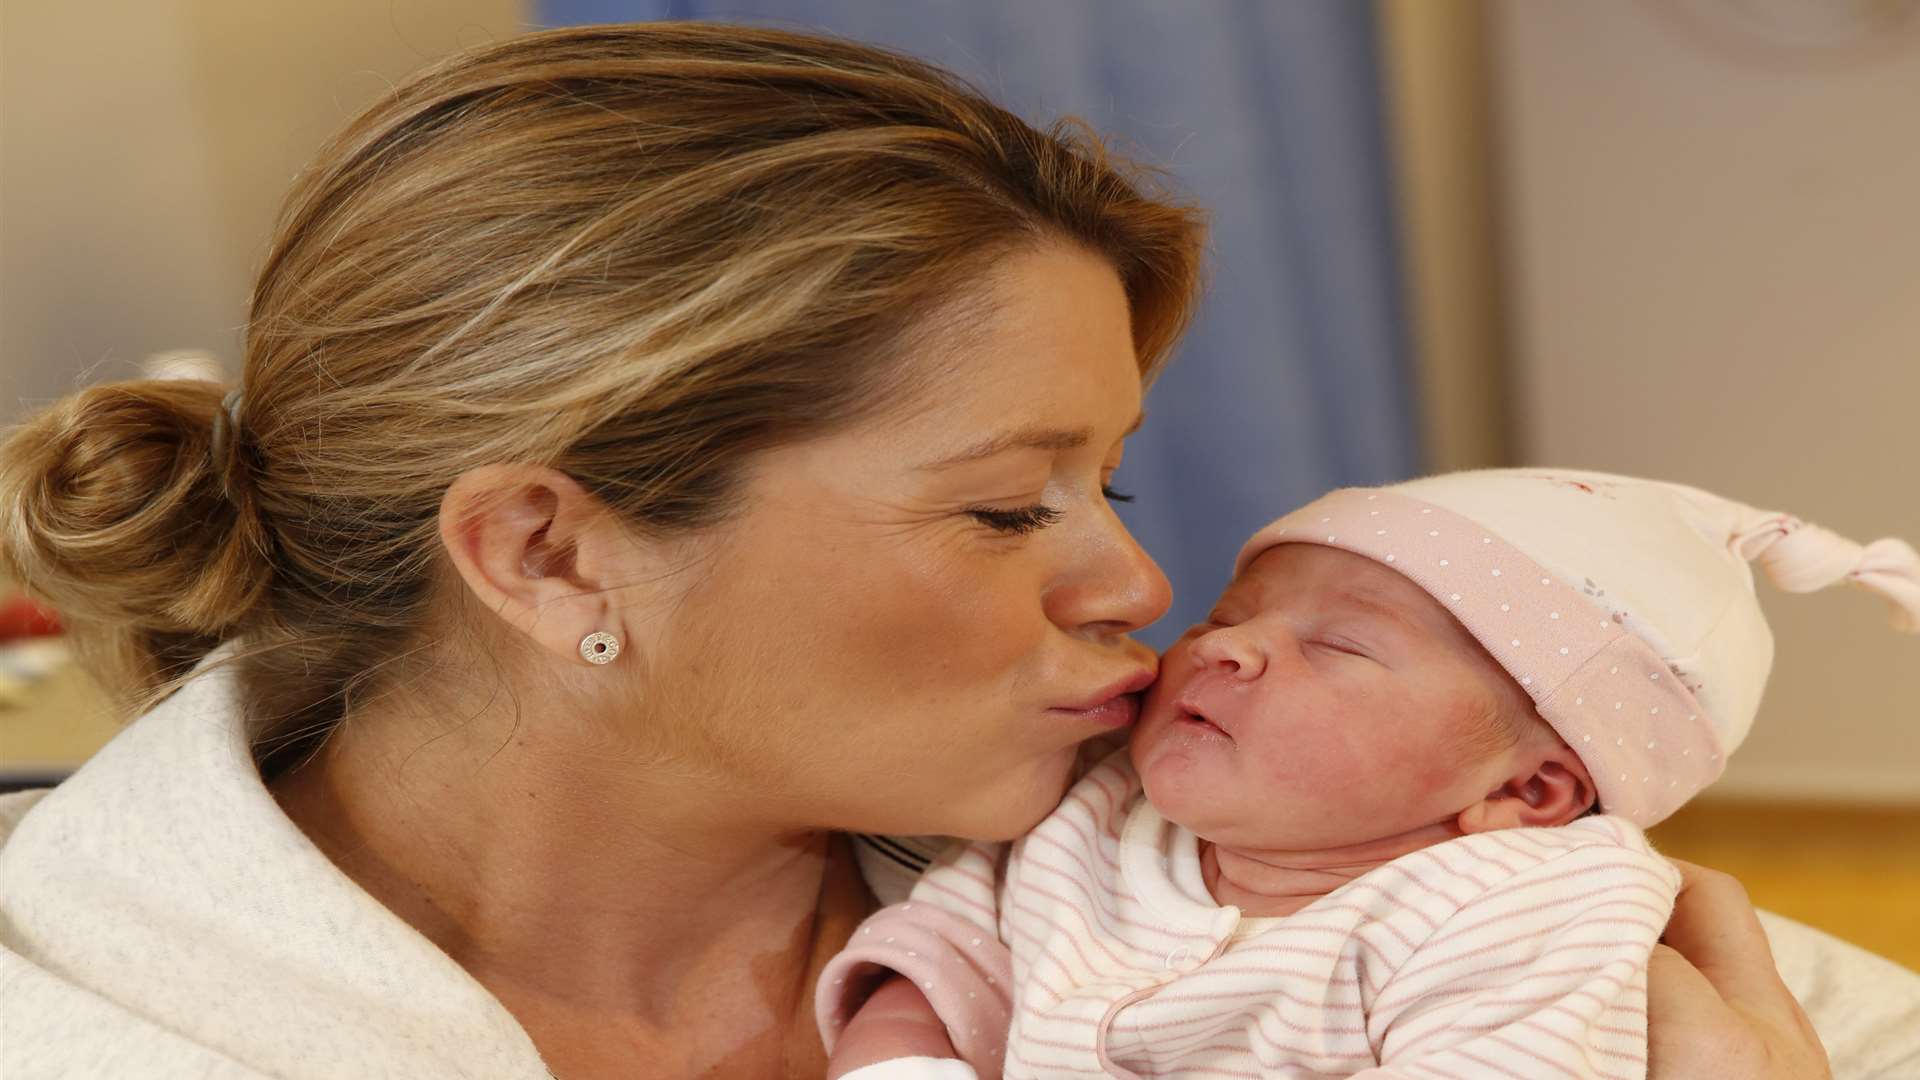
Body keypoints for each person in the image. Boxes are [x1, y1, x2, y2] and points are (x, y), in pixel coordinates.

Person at [0, 22, 1844, 1080]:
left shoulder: (1219, 858)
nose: (1137, 587)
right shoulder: (100, 1030)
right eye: (998, 506)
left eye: (1108, 486)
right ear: (553, 556)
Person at [819, 469, 1919, 1078]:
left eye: (1339, 647)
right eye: (1232, 614)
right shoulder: (1100, 810)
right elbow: (939, 956)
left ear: (1527, 793)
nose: (1222, 648)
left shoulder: (1529, 902)